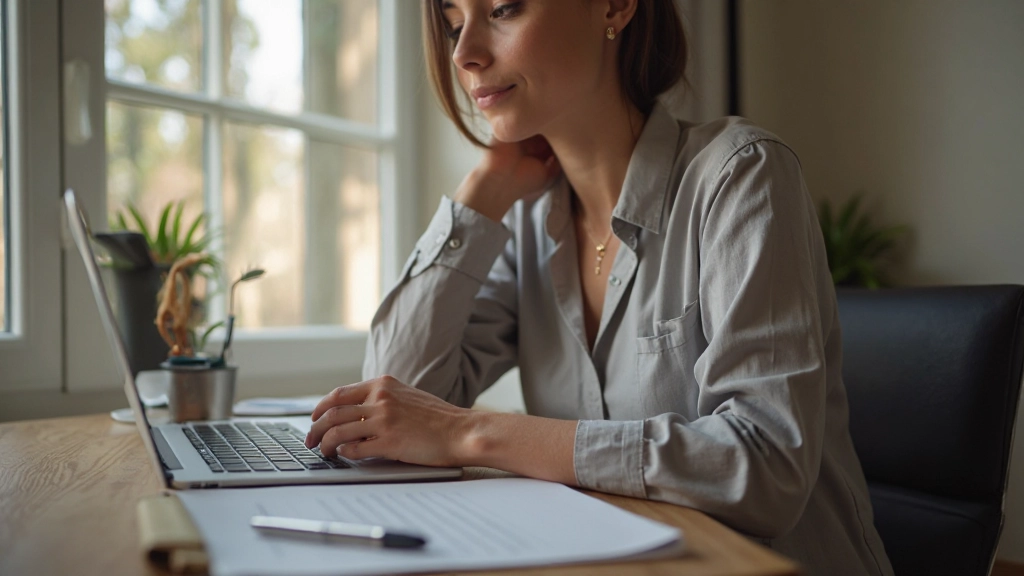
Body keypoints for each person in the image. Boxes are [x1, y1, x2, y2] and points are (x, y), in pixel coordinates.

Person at [304, 1, 894, 574]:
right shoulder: (528, 225)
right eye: (454, 22)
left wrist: (469, 432)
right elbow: (387, 409)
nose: (465, 53)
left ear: (614, 7)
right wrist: (483, 191)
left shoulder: (739, 177)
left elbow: (763, 469)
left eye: (504, 10)